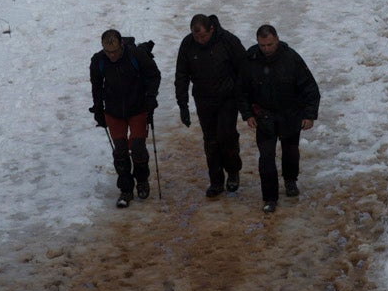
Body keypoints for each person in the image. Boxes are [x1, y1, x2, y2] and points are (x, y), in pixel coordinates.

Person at [238, 24, 320, 214]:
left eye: (270, 44)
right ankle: (269, 197)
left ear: (277, 40)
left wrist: (309, 115)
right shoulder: (251, 59)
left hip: (290, 114)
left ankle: (290, 180)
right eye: (262, 45)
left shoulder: (291, 58)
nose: (266, 49)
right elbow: (241, 90)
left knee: (290, 152)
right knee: (266, 158)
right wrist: (247, 114)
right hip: (264, 117)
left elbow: (310, 88)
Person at [175, 13, 247, 198]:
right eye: (196, 37)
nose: (199, 40)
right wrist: (183, 105)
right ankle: (216, 181)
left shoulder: (228, 41)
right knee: (211, 140)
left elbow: (245, 69)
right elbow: (181, 75)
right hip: (203, 99)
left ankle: (232, 171)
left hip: (227, 98)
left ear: (211, 30)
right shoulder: (188, 44)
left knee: (226, 136)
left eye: (203, 36)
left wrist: (245, 98)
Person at [90, 28, 161, 208]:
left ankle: (142, 181)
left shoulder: (136, 55)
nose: (111, 55)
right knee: (120, 151)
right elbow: (97, 87)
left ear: (121, 45)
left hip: (137, 108)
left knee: (137, 147)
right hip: (113, 112)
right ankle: (126, 190)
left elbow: (154, 75)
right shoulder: (98, 61)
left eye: (114, 52)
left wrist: (151, 98)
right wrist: (98, 109)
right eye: (108, 52)